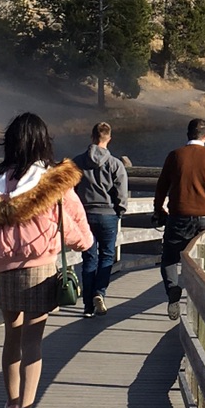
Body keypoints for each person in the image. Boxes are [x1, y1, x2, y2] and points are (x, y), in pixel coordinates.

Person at [0, 111, 93, 408]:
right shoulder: (52, 182)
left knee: (12, 337)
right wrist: (86, 243)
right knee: (34, 342)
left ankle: (9, 403)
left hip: (5, 271)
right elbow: (72, 222)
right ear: (41, 142)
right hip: (40, 269)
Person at [153, 117, 205, 319]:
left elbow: (161, 186)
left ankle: (172, 290)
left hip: (178, 215)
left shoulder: (175, 156)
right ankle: (199, 304)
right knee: (201, 260)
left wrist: (158, 210)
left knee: (170, 258)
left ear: (187, 134)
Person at [72, 120, 128, 318]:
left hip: (84, 215)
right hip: (108, 215)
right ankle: (99, 293)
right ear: (109, 139)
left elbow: (70, 189)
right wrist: (120, 211)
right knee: (106, 256)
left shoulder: (77, 162)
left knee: (89, 258)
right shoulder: (115, 164)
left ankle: (87, 306)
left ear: (92, 137)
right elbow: (121, 193)